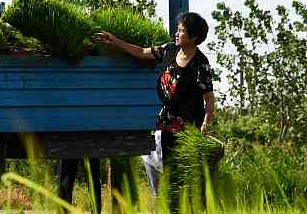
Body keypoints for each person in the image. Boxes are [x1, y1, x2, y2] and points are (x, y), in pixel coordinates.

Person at [93, 12, 216, 202]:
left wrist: (206, 123)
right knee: (167, 168)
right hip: (167, 121)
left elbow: (209, 99)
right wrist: (115, 41)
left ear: (193, 37)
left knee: (182, 171)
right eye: (177, 29)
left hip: (189, 125)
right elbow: (142, 52)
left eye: (181, 31)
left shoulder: (200, 64)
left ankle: (188, 213)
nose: (176, 33)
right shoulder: (169, 50)